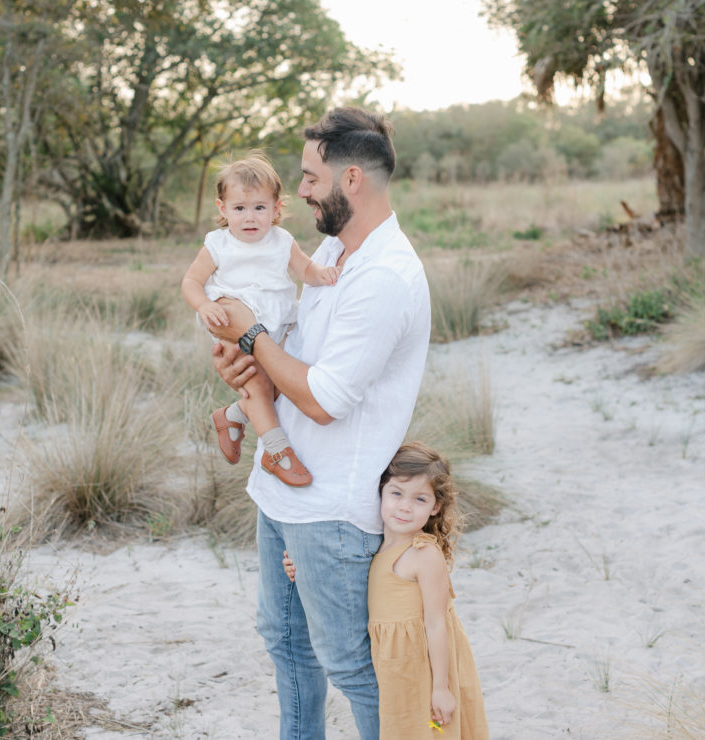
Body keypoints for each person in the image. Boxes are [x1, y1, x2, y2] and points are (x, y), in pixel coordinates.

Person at [210, 108, 431, 739]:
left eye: (309, 177)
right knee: (286, 647)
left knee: (350, 665)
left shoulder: (385, 276)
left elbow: (324, 399)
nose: (298, 191)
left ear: (351, 178)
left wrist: (250, 337)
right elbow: (296, 359)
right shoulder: (333, 249)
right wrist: (248, 368)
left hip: (334, 508)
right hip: (281, 489)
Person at [284, 442, 489, 739]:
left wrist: (441, 688)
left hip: (423, 667)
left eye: (420, 499)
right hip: (393, 666)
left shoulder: (423, 554)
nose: (404, 507)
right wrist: (302, 569)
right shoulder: (372, 543)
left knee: (430, 731)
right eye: (396, 493)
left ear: (435, 507)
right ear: (380, 492)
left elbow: (437, 622)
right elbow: (343, 584)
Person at [180, 153, 340, 487]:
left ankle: (232, 416)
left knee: (280, 383)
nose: (249, 217)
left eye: (259, 208)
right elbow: (191, 281)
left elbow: (305, 269)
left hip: (277, 323)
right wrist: (204, 305)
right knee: (256, 382)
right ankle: (276, 450)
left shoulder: (282, 241)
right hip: (231, 320)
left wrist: (322, 273)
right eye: (239, 208)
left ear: (277, 208)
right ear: (223, 209)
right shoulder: (218, 244)